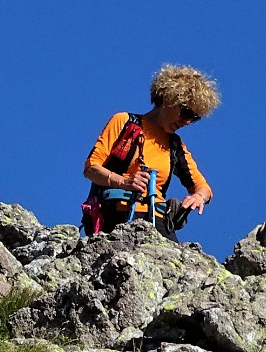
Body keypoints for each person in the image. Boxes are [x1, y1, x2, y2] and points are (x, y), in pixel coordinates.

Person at [82, 64, 218, 241]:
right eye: (185, 113)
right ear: (169, 98)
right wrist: (124, 182)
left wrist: (198, 197)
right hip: (115, 219)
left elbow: (203, 187)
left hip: (160, 224)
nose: (187, 122)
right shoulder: (124, 122)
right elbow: (91, 168)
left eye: (194, 117)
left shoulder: (175, 146)